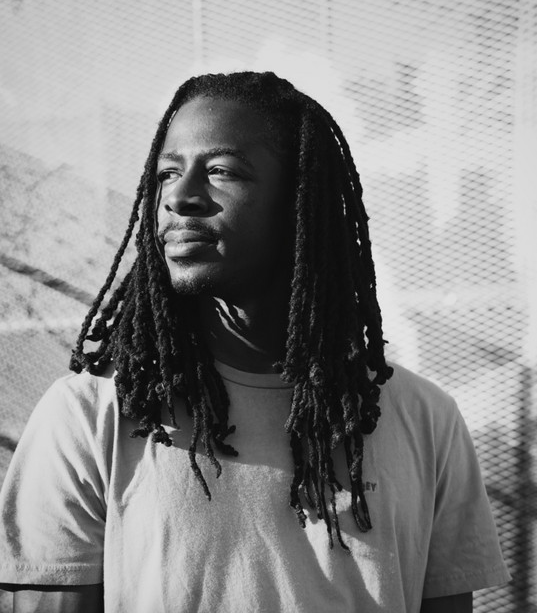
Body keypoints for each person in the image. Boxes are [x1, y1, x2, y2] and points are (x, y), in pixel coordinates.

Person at [0, 71, 509, 612]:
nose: (180, 197)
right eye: (167, 173)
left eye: (221, 171)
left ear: (299, 202)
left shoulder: (424, 419)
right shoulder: (90, 416)